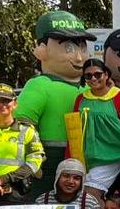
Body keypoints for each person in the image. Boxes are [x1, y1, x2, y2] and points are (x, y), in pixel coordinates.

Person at [14, 11, 99, 189]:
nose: (79, 57)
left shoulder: (90, 86)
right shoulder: (40, 85)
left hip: (87, 158)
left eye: (82, 48)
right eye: (68, 48)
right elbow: (22, 125)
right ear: (41, 50)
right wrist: (33, 158)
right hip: (50, 158)